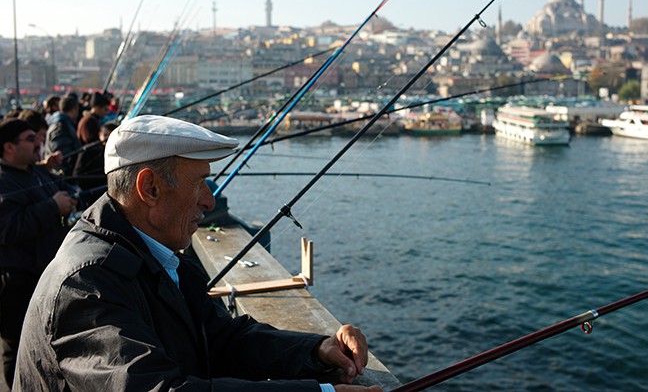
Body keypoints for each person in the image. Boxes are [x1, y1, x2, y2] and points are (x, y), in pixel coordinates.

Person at [14, 115, 382, 392]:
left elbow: (222, 337)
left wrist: (316, 349)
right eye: (199, 183)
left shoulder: (153, 253)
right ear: (150, 188)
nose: (209, 201)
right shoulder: (87, 283)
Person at [0, 119, 77, 389]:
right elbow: (8, 229)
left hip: (42, 278)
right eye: (30, 139)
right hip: (16, 285)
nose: (38, 143)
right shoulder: (4, 181)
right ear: (9, 147)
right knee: (18, 346)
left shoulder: (34, 172)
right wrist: (52, 207)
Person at [44, 95, 81, 174]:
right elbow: (62, 154)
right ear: (74, 109)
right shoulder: (61, 126)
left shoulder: (61, 123)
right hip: (62, 175)